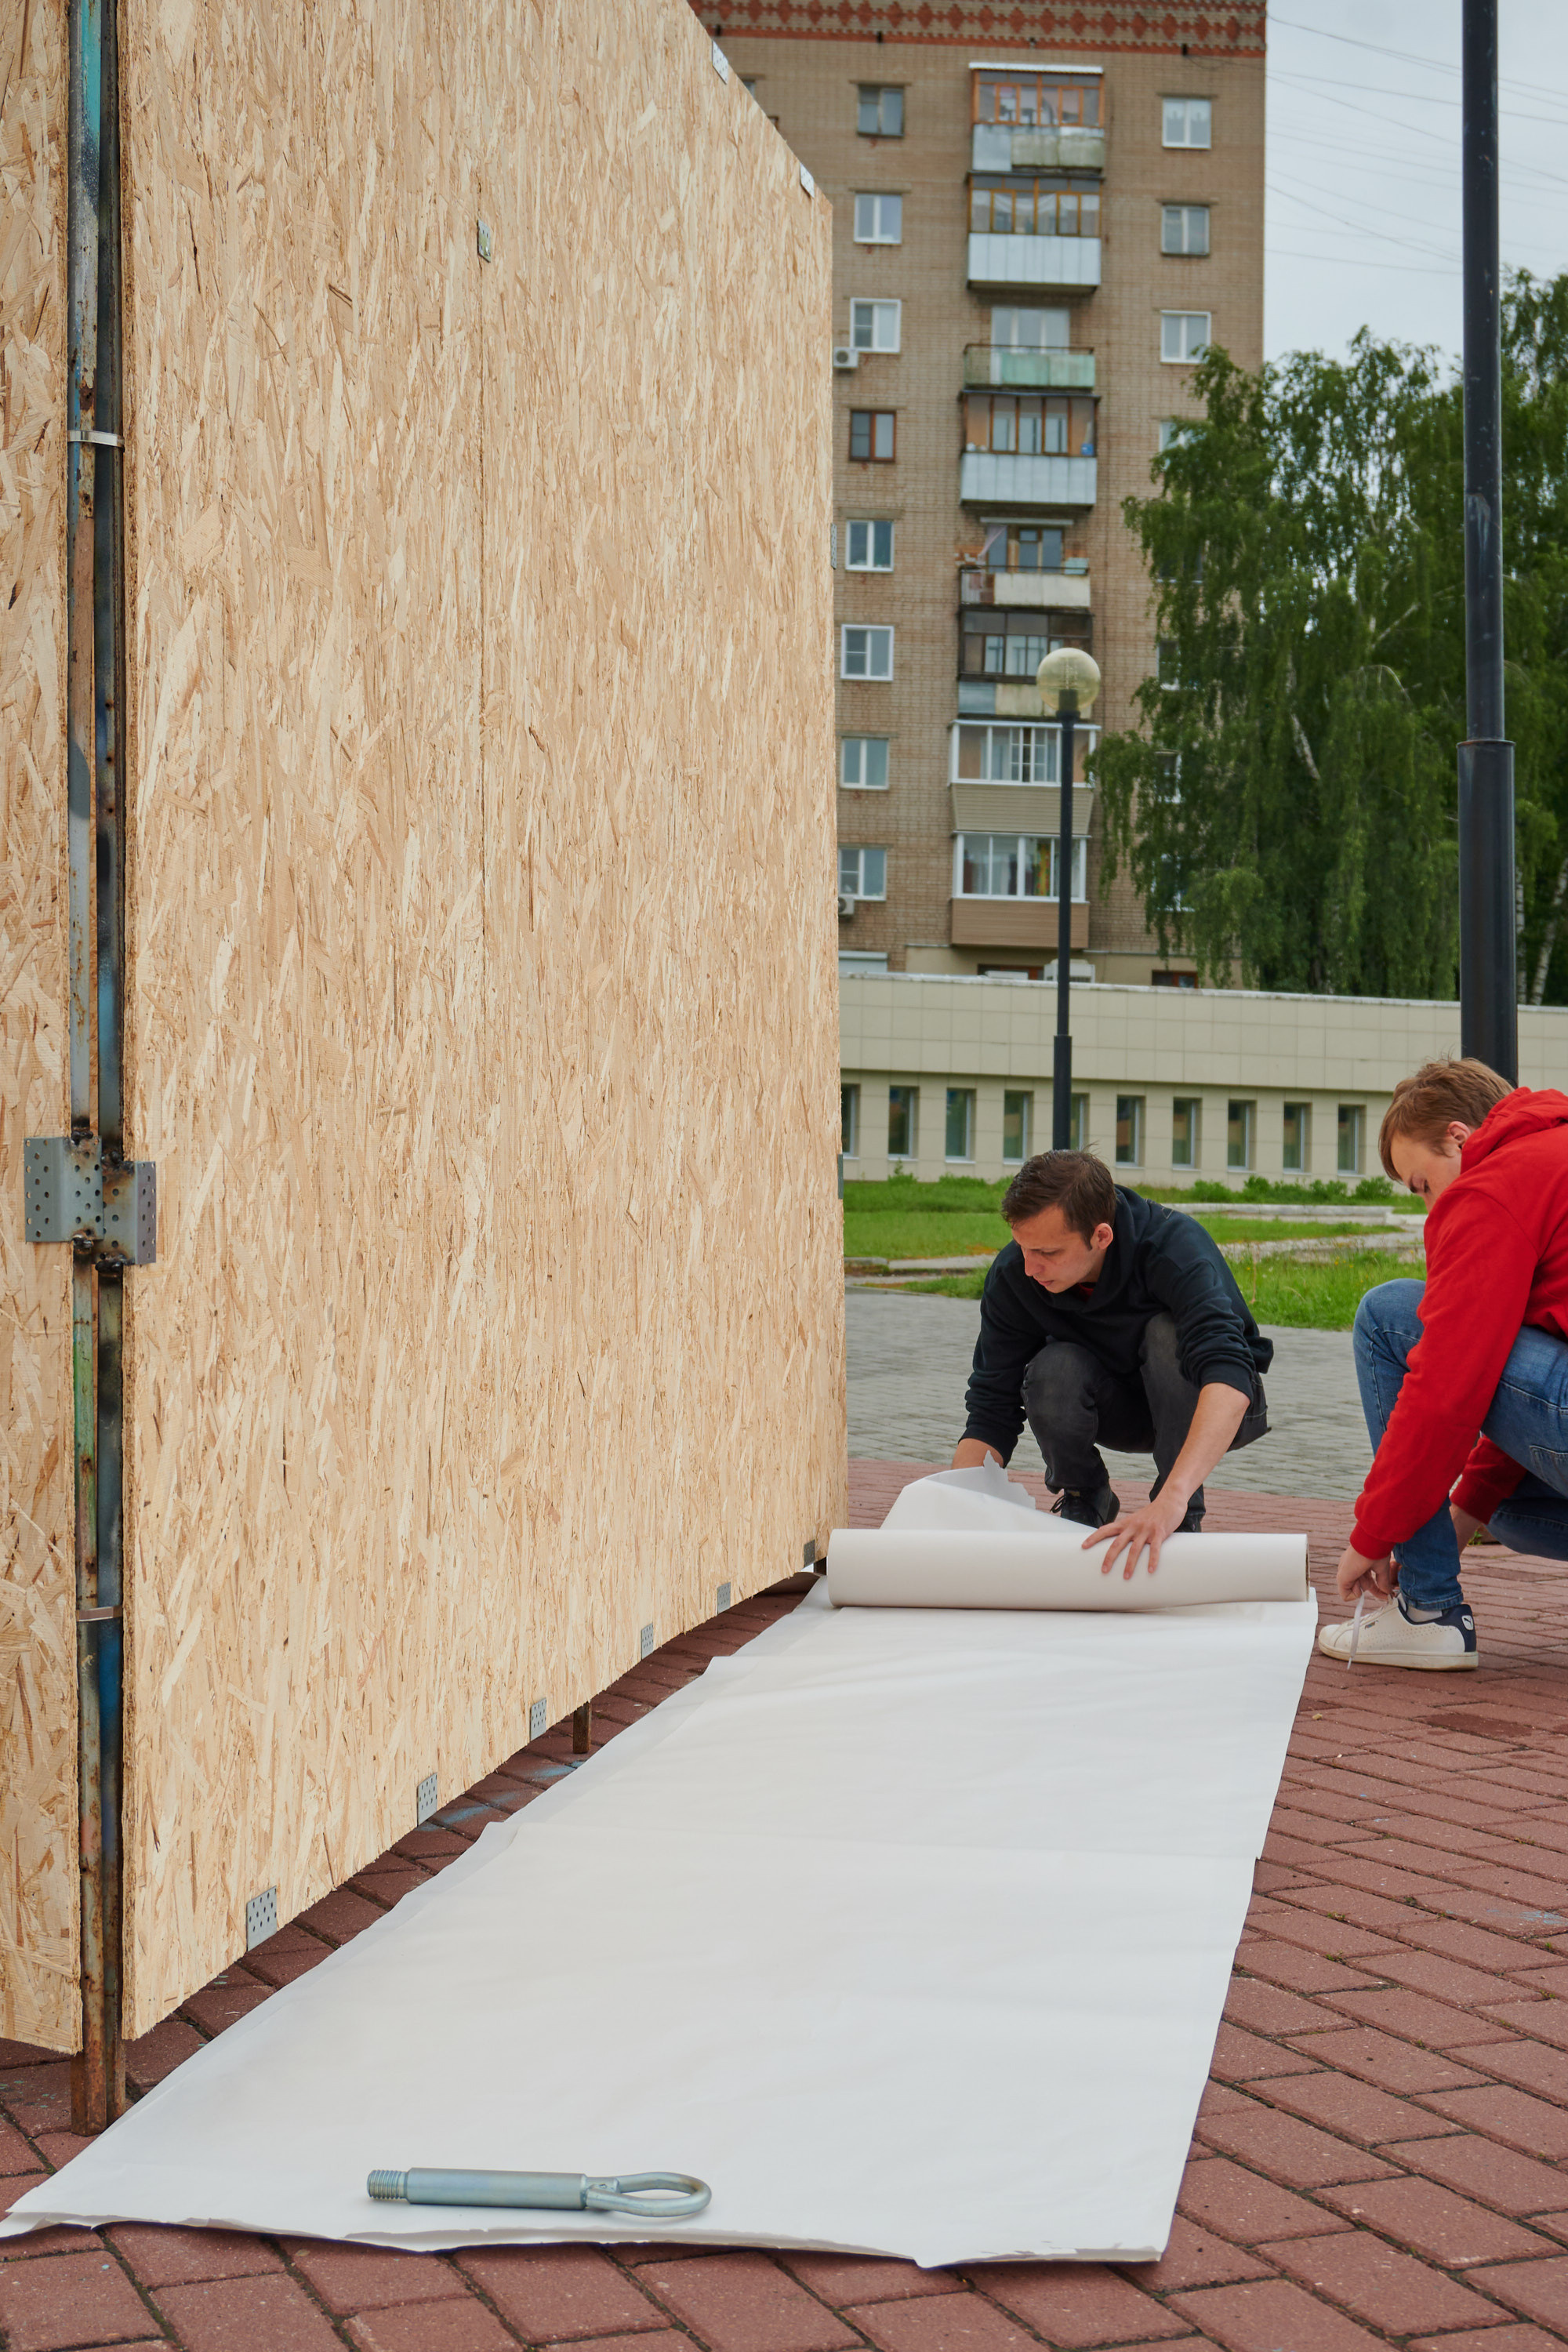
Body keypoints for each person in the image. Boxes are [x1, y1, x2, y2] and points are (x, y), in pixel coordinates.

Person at [1323, 1058, 1568, 1671]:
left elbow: (1447, 1388)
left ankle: (1429, 1613)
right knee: (1501, 1506)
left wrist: (1373, 1533)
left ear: (1460, 1137)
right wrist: (1466, 1506)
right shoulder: (1554, 1156)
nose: (1432, 1208)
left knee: (1390, 1314)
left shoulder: (1496, 1184)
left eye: (1423, 1183)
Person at [953, 1149, 1272, 1577]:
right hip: (1117, 1408)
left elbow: (1229, 1373)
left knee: (1167, 1334)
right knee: (1054, 1366)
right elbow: (991, 1406)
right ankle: (1087, 1498)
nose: (1030, 1268)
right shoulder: (1017, 1274)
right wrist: (952, 1505)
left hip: (1208, 1407)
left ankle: (1180, 1513)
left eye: (1048, 1251)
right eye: (1023, 1247)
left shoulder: (1172, 1247)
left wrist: (1172, 1500)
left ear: (1101, 1236)